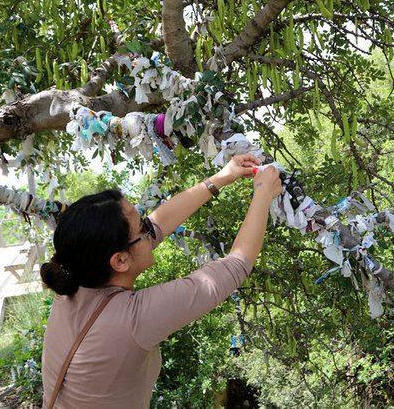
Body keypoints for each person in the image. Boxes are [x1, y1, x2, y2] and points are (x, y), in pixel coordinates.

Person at [40, 154, 282, 408]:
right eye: (141, 227)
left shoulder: (75, 277)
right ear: (120, 261)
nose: (150, 228)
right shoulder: (133, 319)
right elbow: (236, 265)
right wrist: (263, 195)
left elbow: (158, 224)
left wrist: (222, 178)